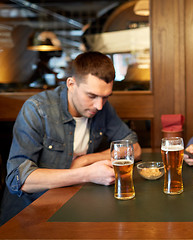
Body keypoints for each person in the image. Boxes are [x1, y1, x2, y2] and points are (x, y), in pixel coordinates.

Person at [0, 51, 142, 225]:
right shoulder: (37, 109)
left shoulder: (102, 108)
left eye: (105, 97)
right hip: (29, 214)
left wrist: (86, 160)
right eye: (91, 96)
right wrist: (86, 173)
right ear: (71, 84)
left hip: (73, 206)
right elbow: (19, 179)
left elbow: (133, 148)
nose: (98, 105)